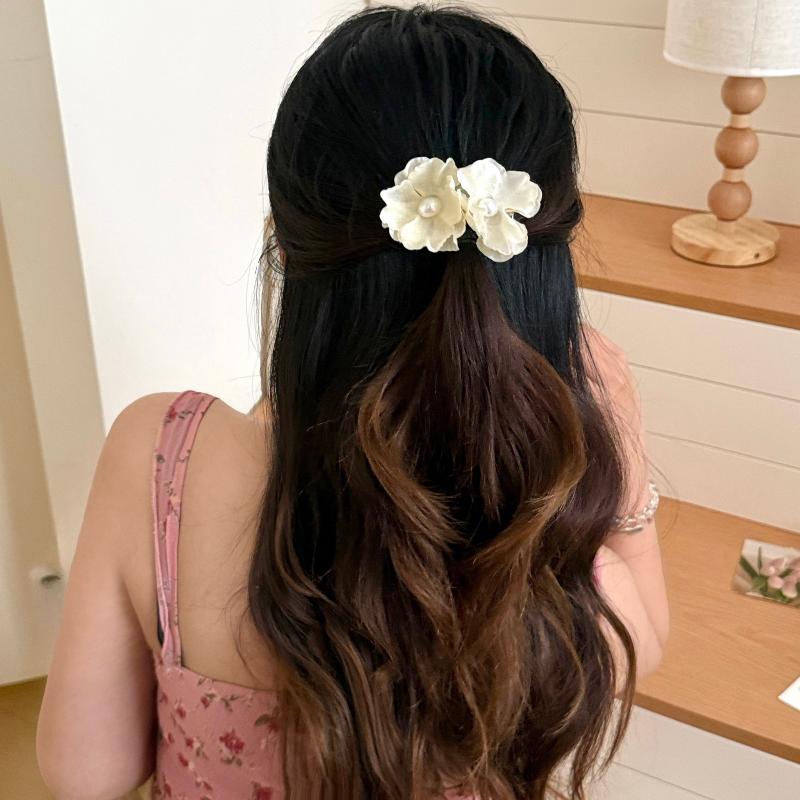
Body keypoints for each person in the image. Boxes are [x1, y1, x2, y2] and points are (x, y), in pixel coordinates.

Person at [36, 4, 669, 799]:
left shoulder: (161, 455)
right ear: (541, 252)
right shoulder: (549, 490)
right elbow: (641, 646)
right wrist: (620, 461)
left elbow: (83, 772)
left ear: (284, 243)